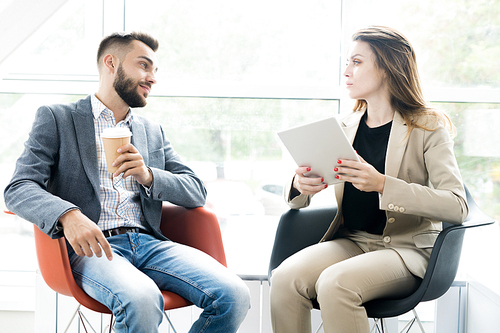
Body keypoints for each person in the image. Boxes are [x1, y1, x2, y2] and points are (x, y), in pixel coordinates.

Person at [4, 31, 250, 333]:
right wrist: (69, 215)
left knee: (235, 296)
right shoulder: (58, 119)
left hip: (150, 243)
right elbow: (18, 188)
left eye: (155, 70)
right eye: (144, 66)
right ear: (111, 63)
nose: (152, 77)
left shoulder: (151, 132)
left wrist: (148, 175)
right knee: (141, 299)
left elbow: (196, 190)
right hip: (93, 248)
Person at [269, 26, 469, 333]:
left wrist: (382, 185)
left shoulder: (428, 127)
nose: (346, 71)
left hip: (406, 249)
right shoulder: (343, 126)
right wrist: (300, 185)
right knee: (284, 279)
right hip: (352, 241)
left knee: (335, 284)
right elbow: (299, 195)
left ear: (388, 68)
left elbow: (457, 206)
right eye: (347, 62)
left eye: (357, 62)